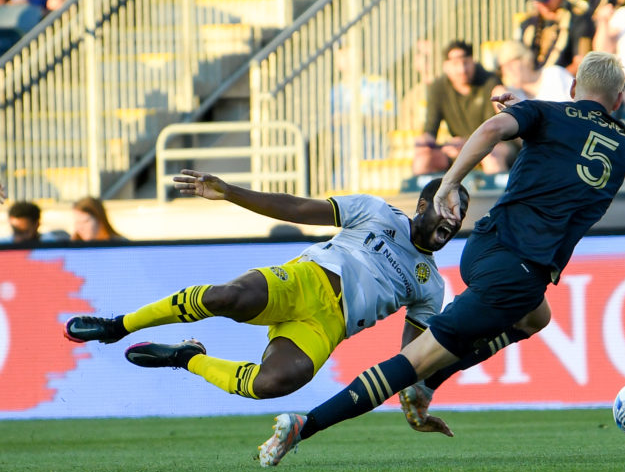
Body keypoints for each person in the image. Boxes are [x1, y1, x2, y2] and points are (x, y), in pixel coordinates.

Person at [259, 51, 625, 467]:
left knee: (536, 318)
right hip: (519, 272)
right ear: (618, 101)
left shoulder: (546, 113)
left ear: (572, 88)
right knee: (414, 362)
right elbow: (574, 155)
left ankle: (426, 383)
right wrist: (534, 120)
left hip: (484, 246)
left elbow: (499, 128)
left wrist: (452, 181)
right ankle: (304, 424)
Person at [64, 169, 470, 418]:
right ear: (423, 203)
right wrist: (230, 192)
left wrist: (416, 398)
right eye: (450, 205)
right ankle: (119, 326)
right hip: (304, 281)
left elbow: (412, 356)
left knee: (273, 383)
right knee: (226, 297)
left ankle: (188, 357)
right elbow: (296, 209)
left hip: (327, 326)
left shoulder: (431, 285)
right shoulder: (376, 211)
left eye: (461, 214)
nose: (454, 218)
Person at [413, 39, 512, 175]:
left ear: (473, 61)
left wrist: (466, 143)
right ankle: (425, 196)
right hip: (460, 148)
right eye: (455, 64)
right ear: (445, 66)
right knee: (423, 158)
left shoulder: (490, 82)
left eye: (465, 62)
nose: (461, 69)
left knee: (491, 157)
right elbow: (431, 129)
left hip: (494, 145)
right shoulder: (437, 88)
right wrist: (424, 143)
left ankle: (497, 196)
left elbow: (494, 130)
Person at [515, 0, 577, 72]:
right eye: (538, 2)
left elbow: (580, 63)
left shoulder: (577, 19)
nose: (543, 6)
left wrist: (551, 79)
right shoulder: (527, 24)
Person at [494, 40, 573, 102]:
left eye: (511, 63)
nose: (508, 70)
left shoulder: (554, 74)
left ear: (526, 59)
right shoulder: (512, 94)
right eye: (503, 67)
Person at [1, 199, 69, 243]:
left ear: (37, 225)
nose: (19, 238)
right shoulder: (4, 245)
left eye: (25, 232)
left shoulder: (53, 244)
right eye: (16, 232)